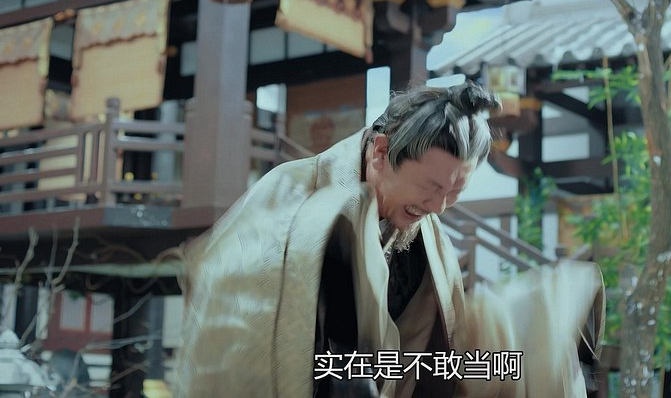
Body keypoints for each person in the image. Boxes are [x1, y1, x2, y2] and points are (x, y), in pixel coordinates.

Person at [175, 82, 604, 397]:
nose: (438, 207)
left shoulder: (425, 234)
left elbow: (434, 360)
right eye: (430, 187)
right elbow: (237, 339)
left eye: (454, 192)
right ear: (381, 152)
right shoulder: (291, 201)